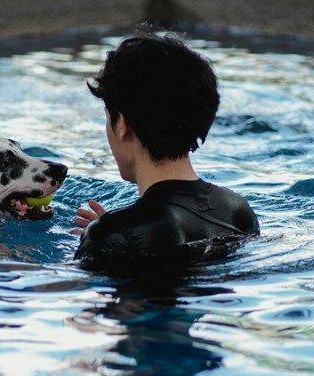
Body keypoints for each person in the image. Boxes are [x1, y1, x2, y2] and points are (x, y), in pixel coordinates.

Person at [73, 32, 260, 268]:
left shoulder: (111, 236)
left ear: (122, 125)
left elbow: (80, 296)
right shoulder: (237, 210)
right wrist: (114, 229)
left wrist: (106, 235)